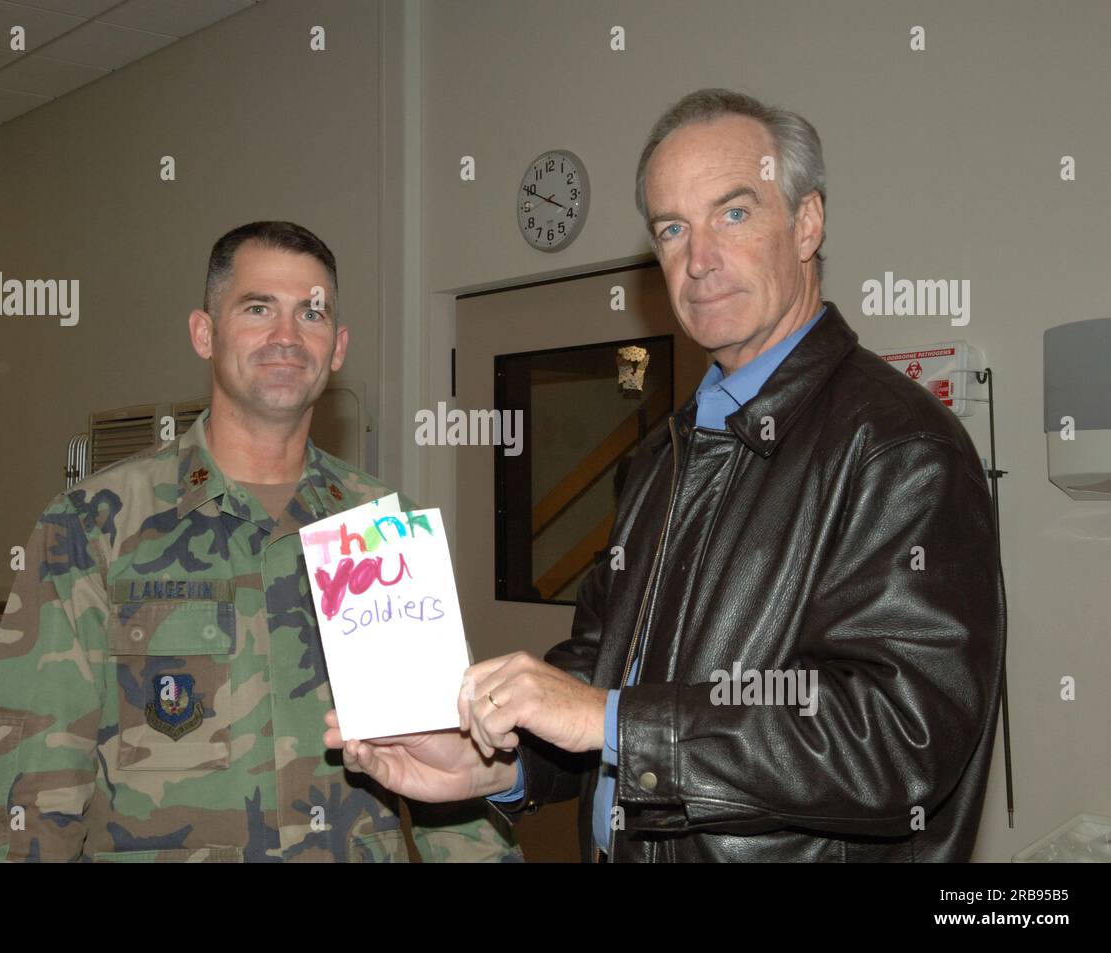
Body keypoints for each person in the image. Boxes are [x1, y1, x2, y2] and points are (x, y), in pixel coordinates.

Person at [327, 89, 1006, 863]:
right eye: (673, 229)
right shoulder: (663, 457)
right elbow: (599, 672)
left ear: (808, 222)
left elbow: (900, 738)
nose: (700, 258)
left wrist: (615, 720)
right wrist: (500, 762)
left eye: (735, 214)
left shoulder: (898, 446)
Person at [0, 221, 520, 862]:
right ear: (205, 333)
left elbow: (455, 781)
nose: (286, 336)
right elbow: (28, 790)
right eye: (258, 309)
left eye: (310, 313)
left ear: (336, 348)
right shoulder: (92, 527)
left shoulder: (383, 530)